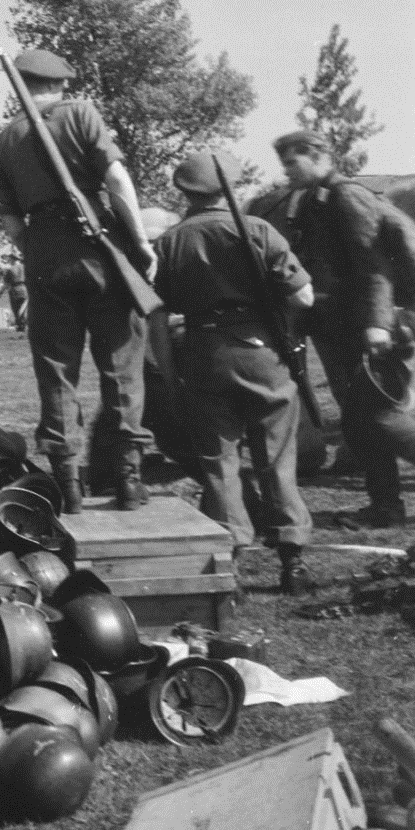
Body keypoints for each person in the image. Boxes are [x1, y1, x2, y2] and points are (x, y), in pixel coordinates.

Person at [0, 48, 157, 513]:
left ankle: (69, 484)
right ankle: (128, 481)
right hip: (99, 248)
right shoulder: (81, 114)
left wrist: (39, 254)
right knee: (121, 366)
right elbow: (117, 179)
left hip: (43, 252)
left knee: (57, 370)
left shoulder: (4, 141)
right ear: (60, 84)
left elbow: (11, 223)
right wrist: (139, 241)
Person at [148, 152, 316, 594]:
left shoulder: (167, 244)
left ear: (184, 192)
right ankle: (292, 559)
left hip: (203, 353)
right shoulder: (259, 231)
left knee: (219, 464)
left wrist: (168, 372)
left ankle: (231, 565)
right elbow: (303, 299)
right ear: (228, 188)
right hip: (262, 351)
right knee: (277, 457)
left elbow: (157, 319)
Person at [274, 129, 414, 526]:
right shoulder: (316, 199)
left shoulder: (345, 195)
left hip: (369, 328)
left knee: (379, 419)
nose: (286, 171)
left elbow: (375, 266)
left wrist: (378, 325)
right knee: (362, 420)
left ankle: (387, 507)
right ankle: (386, 506)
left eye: (292, 161)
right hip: (346, 326)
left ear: (318, 156)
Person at [0, 254, 28, 332]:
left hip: (14, 290)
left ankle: (20, 327)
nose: (8, 261)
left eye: (9, 259)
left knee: (16, 309)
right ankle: (23, 326)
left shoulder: (10, 270)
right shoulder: (24, 267)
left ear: (12, 259)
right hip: (24, 289)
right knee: (23, 309)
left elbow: (6, 284)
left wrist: (0, 293)